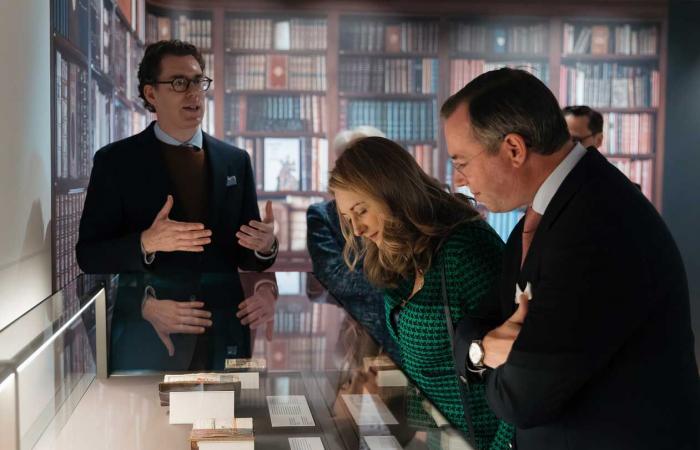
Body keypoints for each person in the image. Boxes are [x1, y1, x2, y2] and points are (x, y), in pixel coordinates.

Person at [442, 68, 700, 450]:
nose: (458, 179)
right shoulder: (548, 213)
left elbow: (520, 398)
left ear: (514, 148)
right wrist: (484, 346)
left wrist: (486, 355)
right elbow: (485, 324)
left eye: (462, 162)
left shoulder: (599, 222)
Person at [329, 137, 513, 450]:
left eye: (362, 210)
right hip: (440, 438)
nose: (356, 229)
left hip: (483, 440)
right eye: (348, 218)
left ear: (394, 192)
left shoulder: (464, 252)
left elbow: (518, 371)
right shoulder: (398, 252)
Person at [76, 40, 277, 274]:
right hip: (146, 306)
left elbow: (246, 257)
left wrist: (265, 247)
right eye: (179, 83)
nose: (194, 93)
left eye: (198, 82)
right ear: (151, 94)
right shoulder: (114, 161)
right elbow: (89, 256)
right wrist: (146, 243)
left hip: (222, 307)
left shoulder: (237, 161)